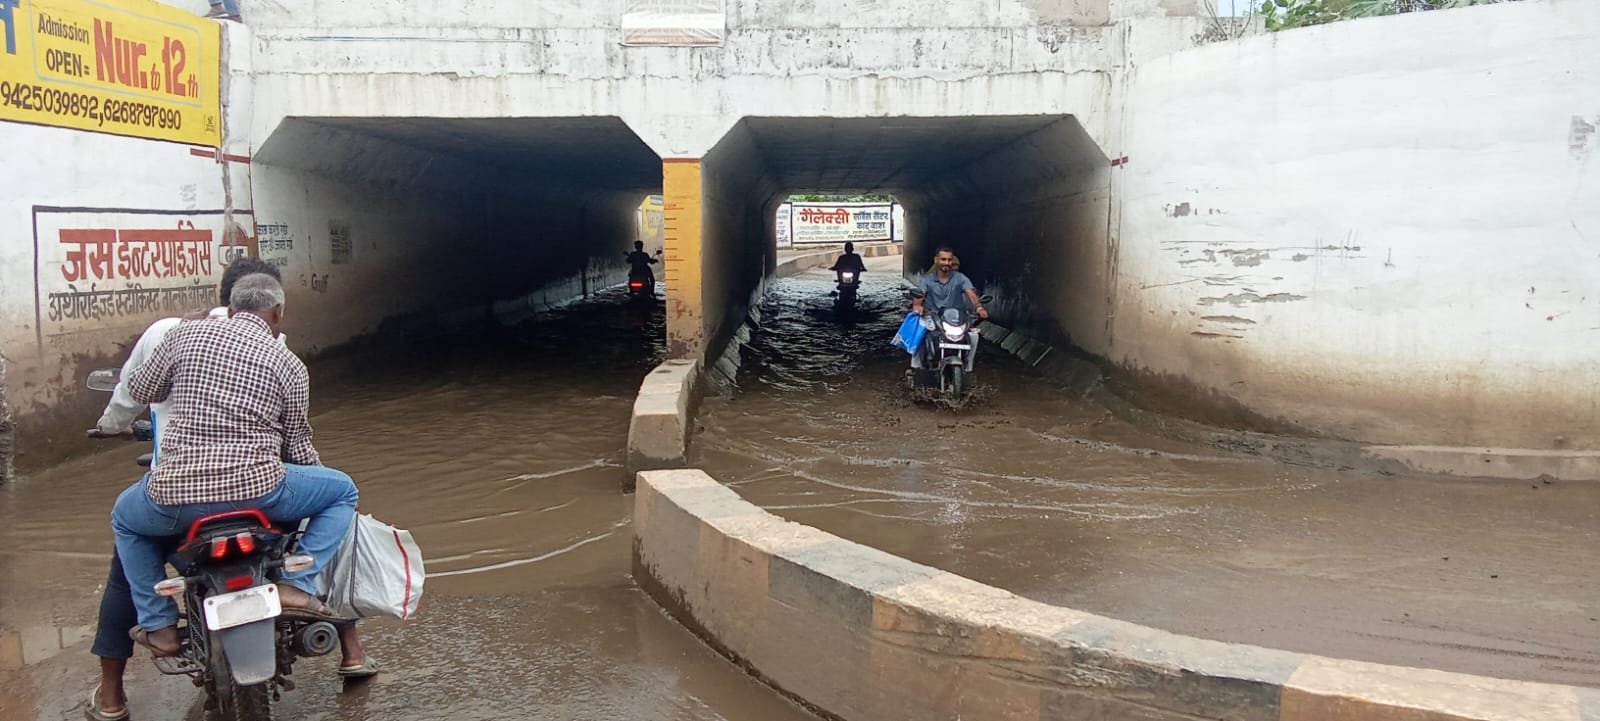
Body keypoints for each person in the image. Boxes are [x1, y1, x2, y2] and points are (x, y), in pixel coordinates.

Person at [108, 274, 361, 669]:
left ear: (230, 306)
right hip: (261, 492)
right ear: (277, 312)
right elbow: (296, 445)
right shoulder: (289, 364)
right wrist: (313, 480)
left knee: (125, 520)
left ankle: (158, 623)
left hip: (175, 496)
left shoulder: (186, 335)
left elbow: (140, 390)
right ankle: (295, 586)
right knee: (342, 490)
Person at [910, 247, 988, 370]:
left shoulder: (961, 278)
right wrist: (918, 306)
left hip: (956, 318)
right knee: (920, 331)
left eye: (949, 260)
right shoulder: (926, 279)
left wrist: (979, 308)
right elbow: (919, 296)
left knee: (973, 336)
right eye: (943, 259)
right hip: (933, 316)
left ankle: (968, 367)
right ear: (936, 260)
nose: (947, 263)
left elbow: (971, 294)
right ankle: (916, 366)